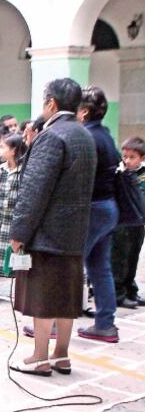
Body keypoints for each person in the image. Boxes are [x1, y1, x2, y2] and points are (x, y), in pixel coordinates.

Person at [10, 78, 97, 377]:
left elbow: (35, 189)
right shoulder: (83, 135)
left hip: (47, 232)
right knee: (66, 296)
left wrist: (19, 232)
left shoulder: (52, 137)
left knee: (43, 296)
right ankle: (61, 354)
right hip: (74, 231)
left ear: (51, 104)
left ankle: (39, 356)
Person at [76, 86, 122, 343]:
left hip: (93, 209)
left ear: (84, 111)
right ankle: (105, 323)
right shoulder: (105, 135)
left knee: (69, 266)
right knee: (99, 267)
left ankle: (53, 325)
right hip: (108, 208)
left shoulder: (87, 137)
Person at [0, 134, 27, 305]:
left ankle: (20, 290)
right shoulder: (0, 170)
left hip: (16, 220)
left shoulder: (24, 171)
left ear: (14, 150)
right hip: (1, 218)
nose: (0, 150)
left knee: (20, 257)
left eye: (3, 147)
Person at [112, 137, 145, 309]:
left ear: (142, 158)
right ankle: (118, 293)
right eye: (125, 156)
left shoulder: (142, 175)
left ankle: (131, 289)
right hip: (122, 223)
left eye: (132, 157)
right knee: (120, 260)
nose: (127, 160)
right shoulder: (119, 174)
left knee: (133, 258)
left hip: (138, 224)